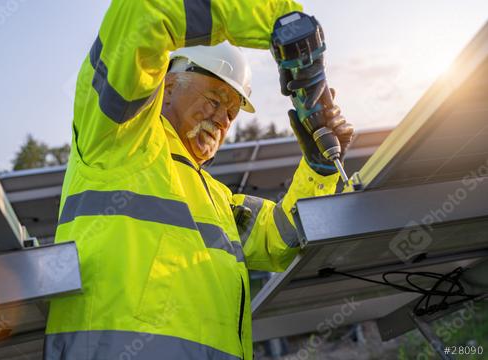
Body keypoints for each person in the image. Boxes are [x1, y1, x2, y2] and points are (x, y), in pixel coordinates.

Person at [44, 0, 354, 359]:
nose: (223, 119)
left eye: (232, 112)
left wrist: (318, 169)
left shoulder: (219, 202)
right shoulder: (118, 137)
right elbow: (144, 13)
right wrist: (281, 19)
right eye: (214, 98)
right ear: (168, 83)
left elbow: (282, 238)